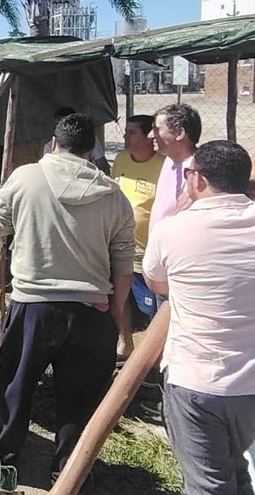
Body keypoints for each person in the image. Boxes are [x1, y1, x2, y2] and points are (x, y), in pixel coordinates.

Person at [143, 142, 255, 495]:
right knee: (232, 467)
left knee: (207, 485)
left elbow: (156, 282)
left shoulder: (173, 230)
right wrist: (242, 179)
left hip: (196, 383)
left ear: (197, 179)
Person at [0, 113, 135, 481]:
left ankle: (5, 461)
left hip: (34, 303)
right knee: (80, 396)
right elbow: (123, 262)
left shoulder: (24, 177)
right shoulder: (113, 193)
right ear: (91, 150)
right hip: (91, 307)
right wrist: (115, 313)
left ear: (53, 143)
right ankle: (68, 472)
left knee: (17, 386)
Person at [110, 114, 165, 359]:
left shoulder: (164, 165)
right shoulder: (121, 159)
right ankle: (125, 343)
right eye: (126, 132)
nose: (125, 138)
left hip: (150, 252)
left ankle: (154, 355)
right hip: (121, 246)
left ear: (148, 138)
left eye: (132, 133)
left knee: (154, 305)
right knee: (119, 300)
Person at [148, 103, 202, 231]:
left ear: (179, 133)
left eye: (157, 129)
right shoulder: (169, 160)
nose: (150, 135)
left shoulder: (198, 171)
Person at [44, 106, 110, 174]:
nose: (63, 127)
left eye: (67, 124)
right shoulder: (49, 146)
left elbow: (102, 164)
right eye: (59, 124)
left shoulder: (88, 140)